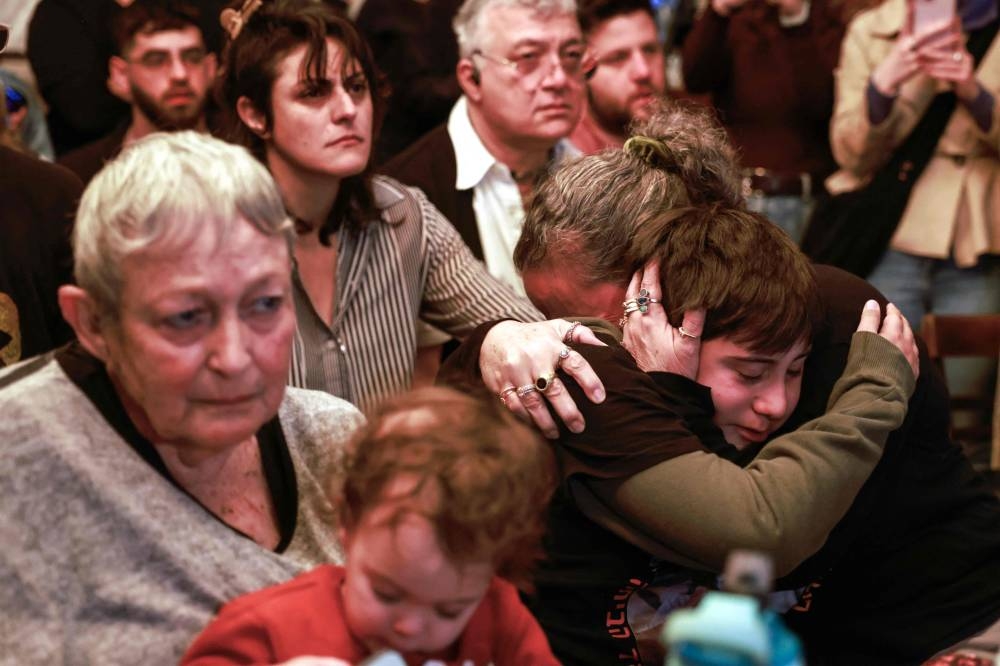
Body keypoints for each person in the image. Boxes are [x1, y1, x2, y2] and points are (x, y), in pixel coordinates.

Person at [450, 101, 1000, 664]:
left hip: (943, 633)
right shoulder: (586, 365)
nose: (570, 344)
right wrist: (500, 337)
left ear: (669, 276)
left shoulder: (847, 333)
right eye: (548, 320)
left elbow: (758, 527)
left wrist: (875, 392)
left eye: (591, 323)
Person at [0, 131, 365, 663]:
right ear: (92, 323)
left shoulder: (335, 439)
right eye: (186, 317)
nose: (234, 357)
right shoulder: (17, 459)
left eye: (264, 304)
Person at [216, 0, 604, 427]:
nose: (347, 109)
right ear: (254, 115)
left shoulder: (402, 216)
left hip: (389, 486)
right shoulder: (219, 234)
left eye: (356, 86)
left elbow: (516, 323)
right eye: (313, 92)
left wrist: (503, 338)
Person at [181, 387, 560, 665]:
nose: (409, 627)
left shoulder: (495, 616)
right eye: (386, 593)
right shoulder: (271, 629)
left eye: (448, 611)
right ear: (347, 526)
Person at [823, 0, 999, 405]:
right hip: (892, 229)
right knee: (882, 389)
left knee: (966, 399)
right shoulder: (872, 30)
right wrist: (885, 86)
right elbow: (848, 153)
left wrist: (975, 94)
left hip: (978, 236)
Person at [382, 0, 588, 295]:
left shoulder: (594, 171)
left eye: (571, 55)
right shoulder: (408, 194)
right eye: (528, 57)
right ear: (471, 78)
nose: (558, 79)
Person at [680, 0, 847, 242]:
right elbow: (694, 77)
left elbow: (821, 104)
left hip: (807, 199)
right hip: (738, 195)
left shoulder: (828, 24)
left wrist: (795, 16)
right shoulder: (739, 21)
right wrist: (719, 10)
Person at [58, 0, 216, 185]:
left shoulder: (249, 158)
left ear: (211, 68)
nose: (179, 74)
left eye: (192, 58)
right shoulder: (76, 178)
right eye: (156, 60)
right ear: (121, 76)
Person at [569, 0, 667, 153]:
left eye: (649, 50)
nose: (643, 72)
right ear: (584, 68)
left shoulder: (688, 142)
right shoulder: (563, 163)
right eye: (618, 58)